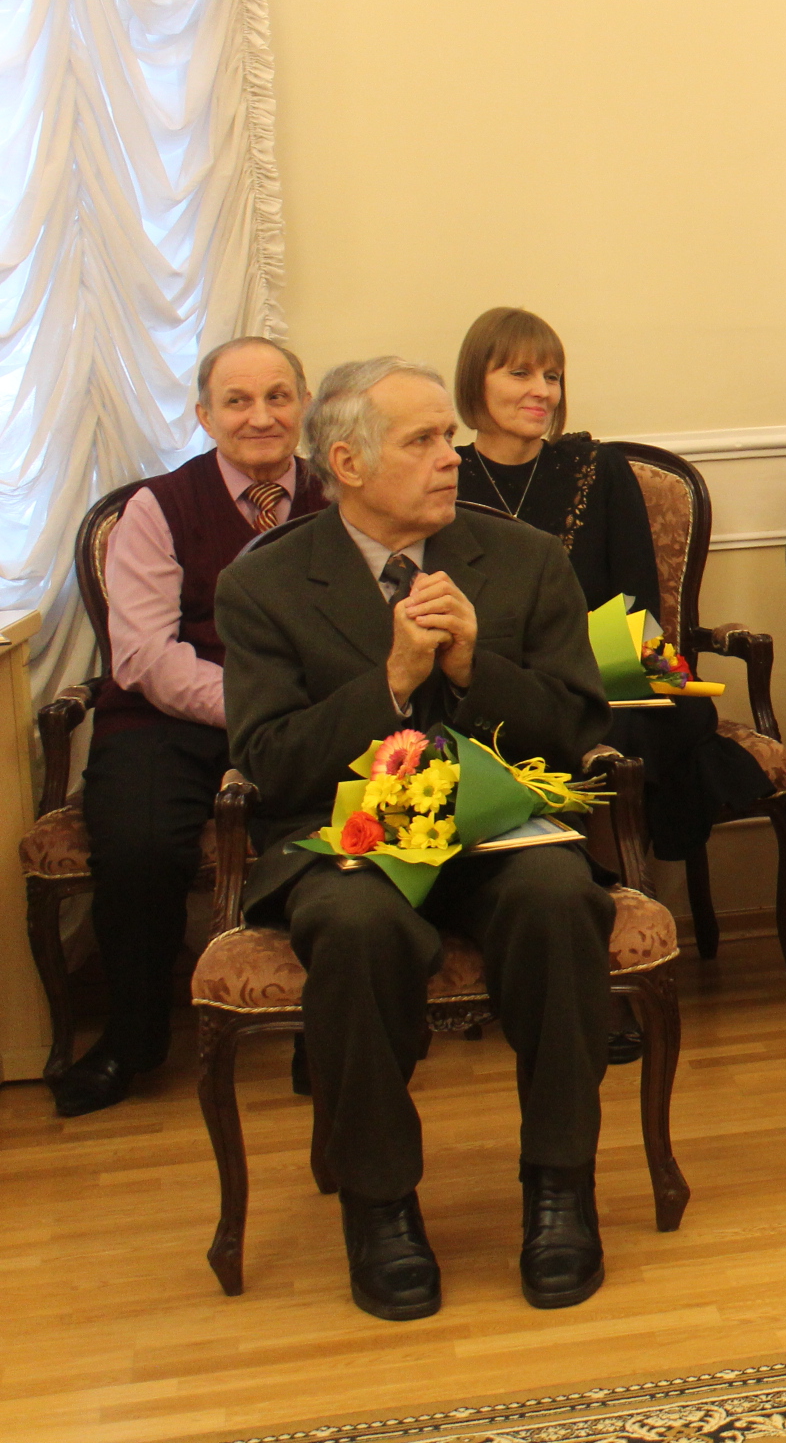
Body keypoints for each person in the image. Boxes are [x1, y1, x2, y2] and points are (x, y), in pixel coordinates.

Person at [218, 358, 615, 1321]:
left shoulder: (524, 560)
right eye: (424, 441)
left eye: (450, 436)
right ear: (348, 464)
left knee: (559, 898)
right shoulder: (264, 584)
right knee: (355, 928)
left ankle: (560, 1188)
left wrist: (476, 669)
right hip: (345, 837)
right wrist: (390, 684)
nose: (452, 457)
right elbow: (268, 764)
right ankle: (381, 1206)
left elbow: (576, 731)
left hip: (496, 828)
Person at [50, 338, 327, 1118]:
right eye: (238, 401)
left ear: (304, 405)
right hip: (164, 719)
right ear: (205, 415)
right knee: (138, 847)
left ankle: (325, 1029)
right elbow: (145, 656)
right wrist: (255, 707)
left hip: (302, 716)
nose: (261, 416)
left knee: (336, 834)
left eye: (277, 396)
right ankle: (130, 1040)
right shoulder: (156, 508)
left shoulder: (343, 498)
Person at [451, 308, 771, 868]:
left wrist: (607, 677)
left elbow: (636, 606)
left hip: (602, 669)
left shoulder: (599, 469)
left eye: (552, 376)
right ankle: (591, 875)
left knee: (674, 713)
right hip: (494, 682)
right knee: (538, 728)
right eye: (520, 373)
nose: (542, 391)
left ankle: (608, 877)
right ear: (476, 380)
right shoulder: (446, 477)